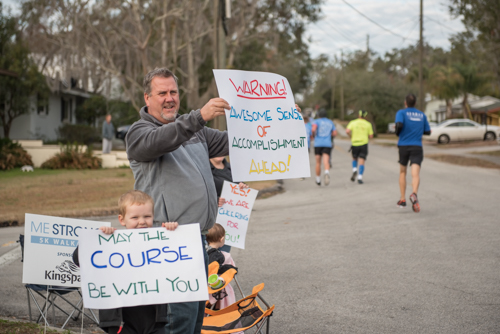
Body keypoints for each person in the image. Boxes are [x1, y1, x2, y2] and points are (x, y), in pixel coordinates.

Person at [72, 190, 179, 334]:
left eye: (147, 216)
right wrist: (98, 239)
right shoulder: (111, 243)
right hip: (121, 322)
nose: (142, 221)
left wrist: (173, 233)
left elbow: (178, 260)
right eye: (135, 217)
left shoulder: (160, 242)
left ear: (153, 217)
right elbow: (78, 259)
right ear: (122, 220)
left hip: (155, 320)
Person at [395, 93, 431, 212]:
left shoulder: (401, 113)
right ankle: (414, 193)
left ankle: (402, 199)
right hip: (417, 146)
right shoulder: (421, 115)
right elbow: (428, 131)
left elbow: (399, 125)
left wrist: (398, 133)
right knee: (415, 173)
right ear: (415, 103)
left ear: (405, 103)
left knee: (402, 172)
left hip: (403, 146)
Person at [210, 156, 246, 253]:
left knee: (224, 255)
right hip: (211, 221)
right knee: (210, 257)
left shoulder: (233, 169)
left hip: (228, 221)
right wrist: (213, 200)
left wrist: (243, 187)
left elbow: (241, 189)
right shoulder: (204, 169)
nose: (220, 153)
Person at [205, 223, 237, 310]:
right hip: (215, 287)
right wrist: (230, 268)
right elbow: (216, 268)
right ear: (222, 239)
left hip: (206, 287)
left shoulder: (204, 252)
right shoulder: (219, 255)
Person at [345, 110, 374, 184]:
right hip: (364, 144)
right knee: (362, 160)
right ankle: (360, 177)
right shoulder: (368, 124)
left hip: (355, 143)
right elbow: (371, 136)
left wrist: (351, 136)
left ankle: (354, 169)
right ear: (365, 116)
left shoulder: (353, 122)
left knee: (354, 158)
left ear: (359, 115)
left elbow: (347, 131)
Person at [312, 108, 337, 186]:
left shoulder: (316, 121)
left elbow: (313, 129)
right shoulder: (330, 122)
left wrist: (314, 135)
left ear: (319, 115)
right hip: (327, 144)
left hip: (318, 143)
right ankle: (326, 172)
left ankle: (318, 179)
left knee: (318, 163)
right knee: (326, 161)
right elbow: (334, 133)